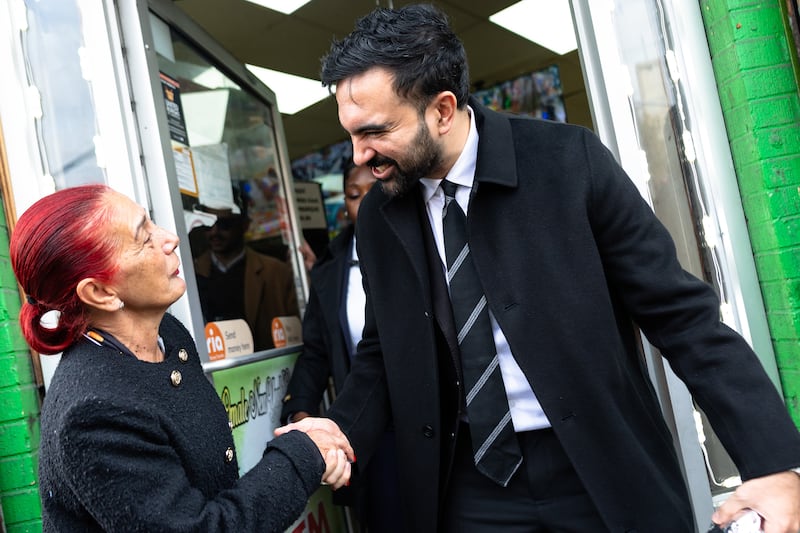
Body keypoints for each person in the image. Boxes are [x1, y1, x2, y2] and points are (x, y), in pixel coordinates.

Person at [275, 4, 800, 533]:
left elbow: (682, 317)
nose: (359, 156)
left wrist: (772, 462)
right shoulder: (381, 218)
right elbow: (384, 351)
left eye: (375, 131)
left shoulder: (569, 162)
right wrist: (336, 431)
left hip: (599, 472)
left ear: (442, 110)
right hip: (468, 487)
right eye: (350, 135)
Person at [10, 184, 351, 532]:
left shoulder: (168, 336)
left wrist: (305, 449)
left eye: (152, 222)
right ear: (100, 292)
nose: (170, 238)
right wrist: (301, 455)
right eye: (144, 238)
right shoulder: (94, 413)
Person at [281, 159, 403, 532]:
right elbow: (317, 350)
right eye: (354, 195)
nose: (364, 203)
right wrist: (301, 410)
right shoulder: (330, 269)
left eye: (376, 190)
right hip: (371, 430)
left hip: (434, 422)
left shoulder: (421, 244)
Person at [193, 203, 299, 351]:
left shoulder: (276, 272)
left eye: (224, 225)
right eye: (208, 225)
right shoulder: (192, 273)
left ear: (244, 225)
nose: (214, 232)